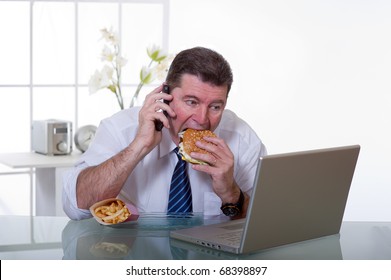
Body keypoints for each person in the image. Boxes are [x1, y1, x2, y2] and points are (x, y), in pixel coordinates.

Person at [62, 46, 267, 220]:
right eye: (191, 102)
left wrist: (232, 193)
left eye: (215, 106)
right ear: (165, 94)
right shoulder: (120, 128)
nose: (202, 119)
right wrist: (139, 146)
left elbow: (268, 225)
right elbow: (76, 206)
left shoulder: (242, 139)